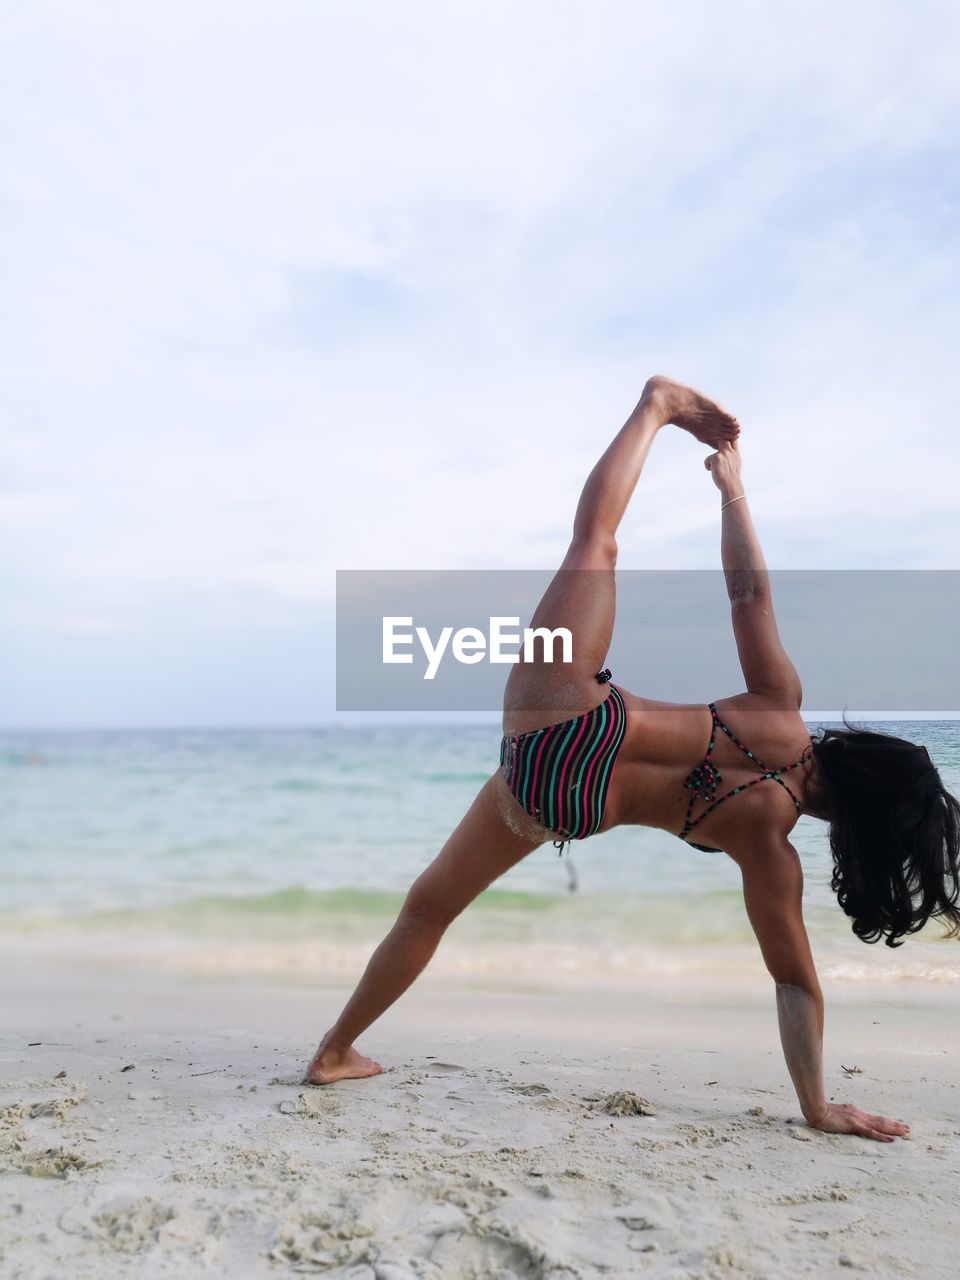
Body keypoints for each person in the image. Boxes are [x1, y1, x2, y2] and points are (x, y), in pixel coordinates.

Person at [307, 376, 960, 1141]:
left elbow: (747, 594)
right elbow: (794, 985)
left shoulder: (781, 708)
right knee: (432, 909)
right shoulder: (769, 851)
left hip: (566, 707)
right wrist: (816, 1107)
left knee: (596, 545)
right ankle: (333, 1052)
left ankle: (656, 407)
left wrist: (731, 487)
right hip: (560, 801)